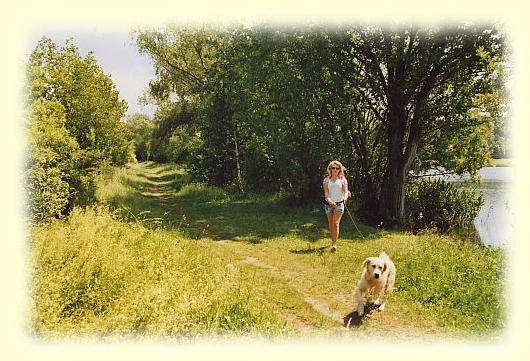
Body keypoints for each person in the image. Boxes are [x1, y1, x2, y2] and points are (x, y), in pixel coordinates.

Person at [323, 160, 349, 252]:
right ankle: (332, 240)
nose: (335, 170)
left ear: (339, 169)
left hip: (339, 204)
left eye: (337, 168)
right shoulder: (326, 180)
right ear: (330, 169)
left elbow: (345, 191)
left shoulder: (342, 180)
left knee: (335, 223)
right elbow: (326, 192)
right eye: (333, 168)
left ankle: (334, 244)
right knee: (330, 224)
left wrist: (345, 198)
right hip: (328, 204)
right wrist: (329, 201)